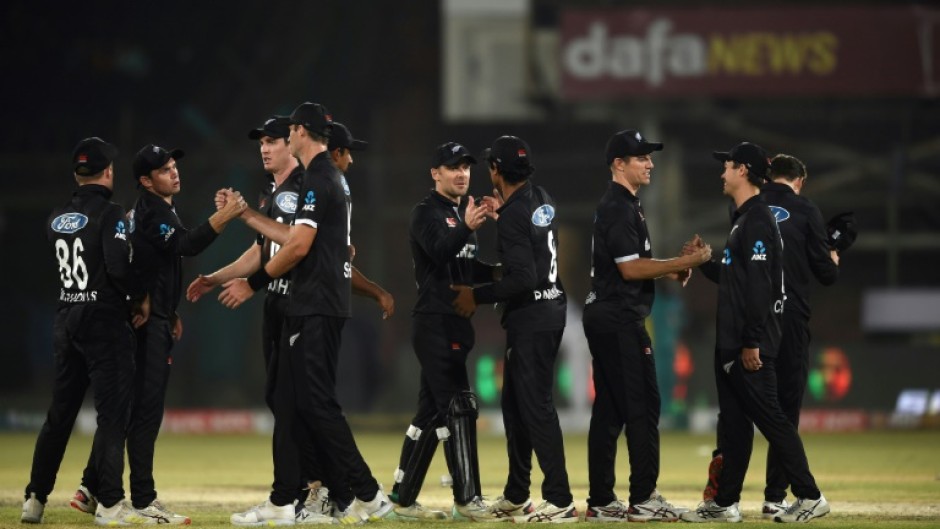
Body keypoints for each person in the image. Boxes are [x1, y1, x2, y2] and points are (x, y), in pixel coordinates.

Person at [221, 102, 393, 526]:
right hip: (319, 303)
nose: (279, 141)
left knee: (315, 404)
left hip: (315, 303)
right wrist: (248, 216)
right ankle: (298, 499)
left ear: (299, 132)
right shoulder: (329, 177)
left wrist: (252, 283)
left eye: (284, 134)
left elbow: (298, 246)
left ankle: (364, 495)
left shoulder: (317, 178)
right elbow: (304, 240)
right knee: (295, 401)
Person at [72, 143, 246, 525]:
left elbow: (147, 263)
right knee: (145, 414)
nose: (174, 172)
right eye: (165, 170)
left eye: (173, 165)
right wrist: (225, 216)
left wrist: (168, 310)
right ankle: (143, 499)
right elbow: (185, 245)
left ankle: (90, 487)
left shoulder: (150, 209)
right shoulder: (152, 211)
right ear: (146, 181)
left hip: (153, 318)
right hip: (147, 326)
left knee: (127, 409)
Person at [186, 116, 335, 524]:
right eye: (261, 142)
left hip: (298, 305)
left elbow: (294, 246)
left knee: (293, 403)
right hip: (280, 304)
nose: (265, 148)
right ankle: (307, 491)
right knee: (281, 400)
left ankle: (303, 493)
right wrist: (217, 277)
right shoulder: (274, 191)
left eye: (273, 141)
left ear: (292, 143)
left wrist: (250, 280)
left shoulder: (299, 190)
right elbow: (262, 249)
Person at [680, 143, 830, 523]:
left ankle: (810, 496)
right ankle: (725, 503)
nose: (722, 173)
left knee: (773, 421)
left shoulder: (758, 218)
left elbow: (762, 287)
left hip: (747, 344)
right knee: (734, 426)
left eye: (727, 166)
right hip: (731, 341)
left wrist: (752, 341)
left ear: (743, 170)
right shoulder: (744, 218)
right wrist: (704, 262)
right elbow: (736, 279)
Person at [582, 130, 709, 522]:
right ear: (618, 164)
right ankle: (643, 498)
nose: (650, 163)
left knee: (610, 411)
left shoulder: (623, 205)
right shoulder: (620, 207)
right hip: (619, 318)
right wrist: (683, 263)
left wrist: (671, 270)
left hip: (607, 314)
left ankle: (602, 500)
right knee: (643, 405)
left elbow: (624, 267)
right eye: (641, 158)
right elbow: (630, 268)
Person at [22, 138, 151, 525]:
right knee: (112, 416)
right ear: (108, 171)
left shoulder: (56, 216)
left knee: (59, 416)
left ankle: (34, 499)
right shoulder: (111, 214)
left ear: (77, 175)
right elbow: (117, 266)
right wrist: (140, 296)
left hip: (66, 318)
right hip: (103, 322)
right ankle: (110, 503)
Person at [452, 135, 577, 523]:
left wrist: (476, 295)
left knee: (535, 407)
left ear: (495, 170)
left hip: (533, 318)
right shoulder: (540, 198)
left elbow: (522, 278)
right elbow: (533, 244)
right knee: (516, 407)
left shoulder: (514, 216)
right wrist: (505, 211)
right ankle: (517, 494)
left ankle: (560, 499)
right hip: (550, 308)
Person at [389, 142, 504, 522]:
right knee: (460, 406)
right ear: (435, 173)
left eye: (466, 167)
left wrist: (499, 272)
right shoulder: (425, 212)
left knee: (430, 415)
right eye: (453, 167)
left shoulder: (460, 214)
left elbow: (467, 267)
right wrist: (467, 227)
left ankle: (402, 501)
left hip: (455, 323)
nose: (462, 173)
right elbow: (439, 252)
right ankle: (468, 500)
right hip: (434, 322)